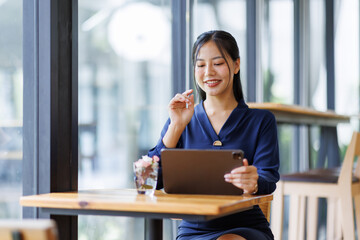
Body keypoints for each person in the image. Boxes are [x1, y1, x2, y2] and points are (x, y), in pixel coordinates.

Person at [148, 30, 279, 240]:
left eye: (217, 63)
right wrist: (176, 127)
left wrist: (253, 182)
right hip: (194, 230)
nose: (208, 72)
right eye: (200, 65)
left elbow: (268, 177)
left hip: (244, 226)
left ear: (236, 65)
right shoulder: (181, 118)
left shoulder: (261, 121)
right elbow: (152, 180)